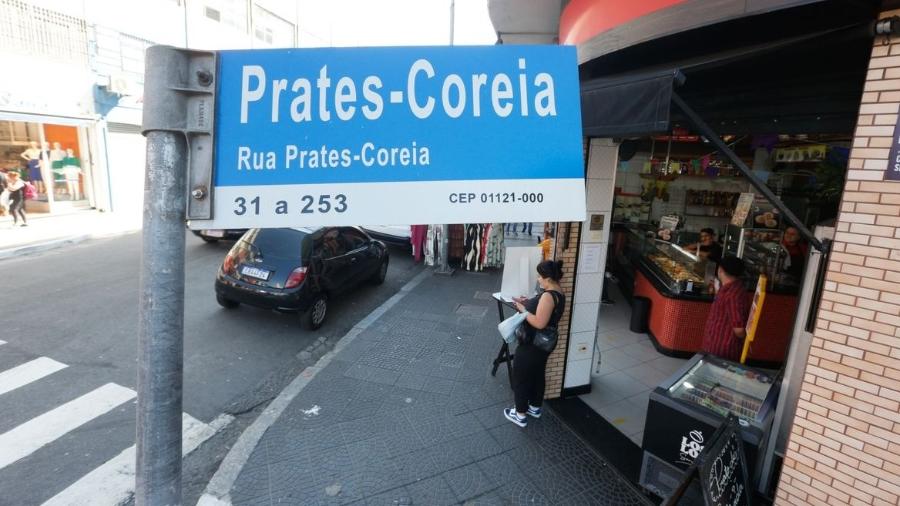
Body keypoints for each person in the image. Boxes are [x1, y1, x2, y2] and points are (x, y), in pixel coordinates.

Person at [504, 260, 566, 428]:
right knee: (538, 375)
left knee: (521, 376)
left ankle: (520, 414)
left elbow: (539, 322)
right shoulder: (558, 291)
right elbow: (543, 311)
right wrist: (528, 302)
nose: (538, 279)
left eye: (540, 276)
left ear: (548, 278)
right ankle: (534, 408)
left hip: (534, 343)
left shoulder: (547, 296)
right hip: (545, 344)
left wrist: (523, 309)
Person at [702, 256, 750, 362]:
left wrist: (744, 339)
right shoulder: (731, 288)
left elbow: (739, 329)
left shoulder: (733, 295)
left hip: (722, 349)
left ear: (720, 270)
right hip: (715, 343)